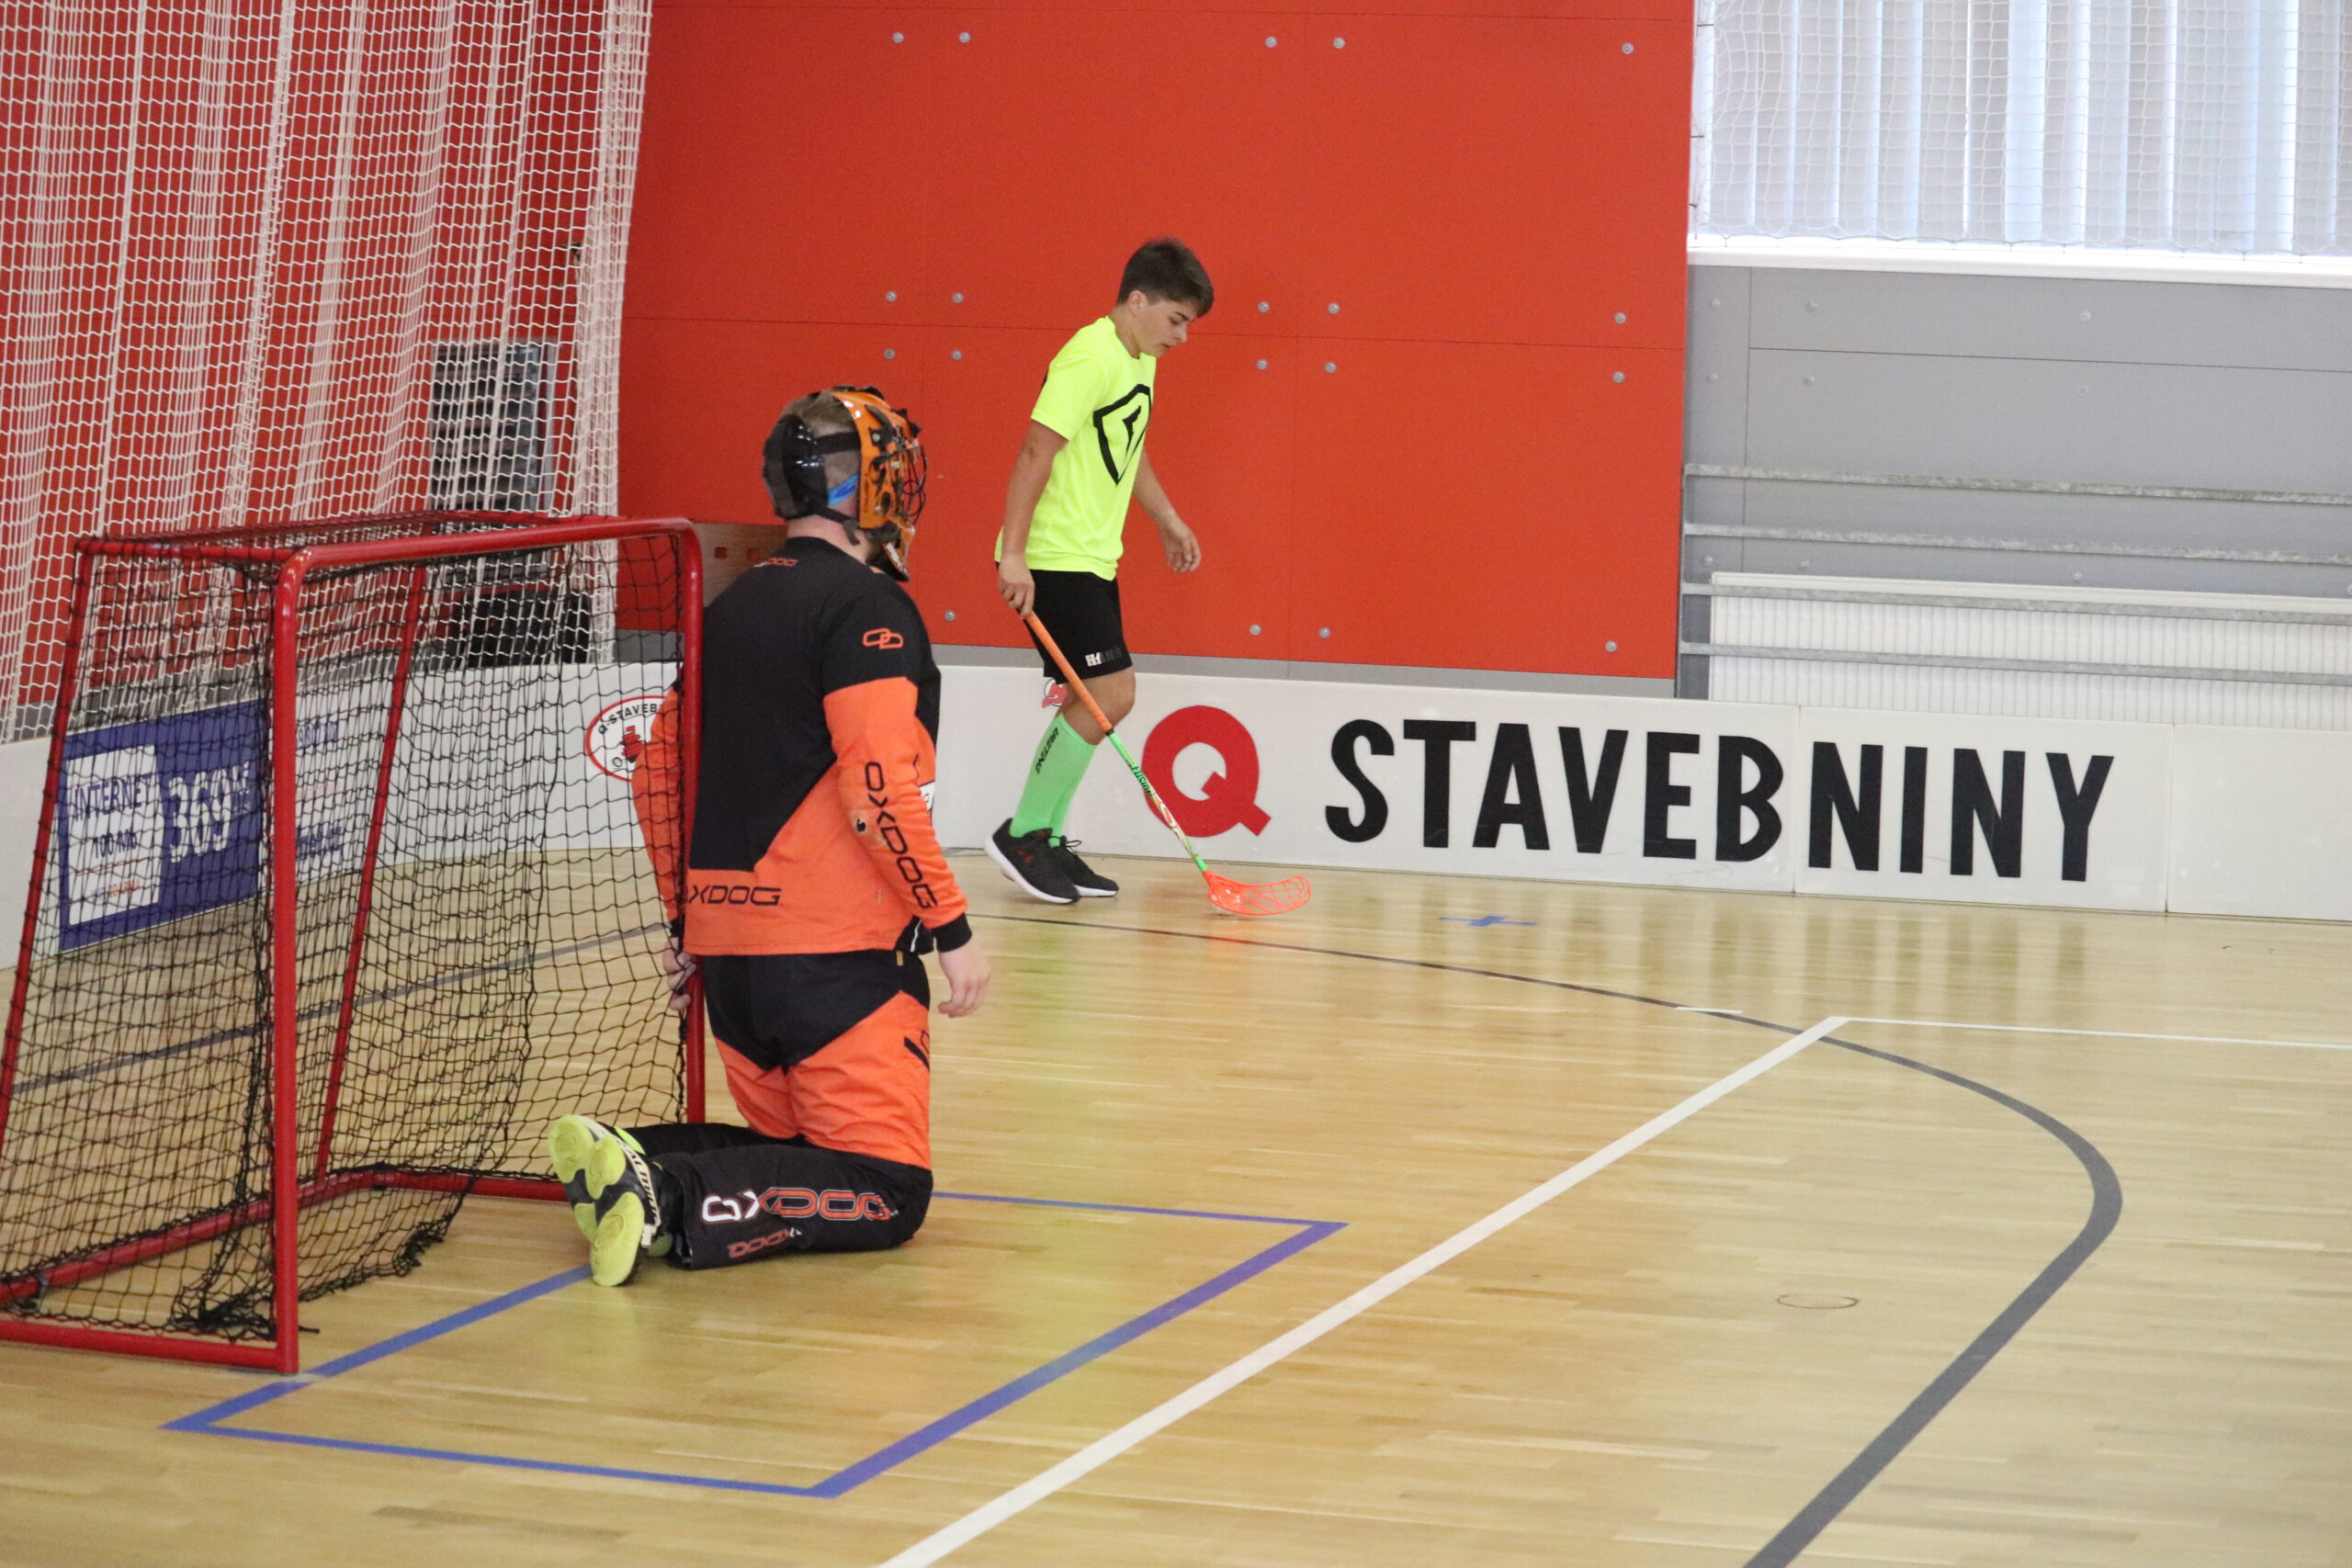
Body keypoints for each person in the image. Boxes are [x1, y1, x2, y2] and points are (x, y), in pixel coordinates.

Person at [548, 386, 990, 1287]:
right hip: (837, 959)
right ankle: (668, 1193)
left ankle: (632, 1155)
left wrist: (690, 922)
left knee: (798, 1153)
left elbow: (656, 774)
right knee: (886, 1189)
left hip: (734, 964)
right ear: (868, 488)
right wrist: (950, 926)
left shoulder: (730, 605)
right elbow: (877, 786)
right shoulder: (868, 609)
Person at [988, 237, 1212, 904]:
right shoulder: (1089, 357)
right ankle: (1024, 834)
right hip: (1054, 555)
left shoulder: (1137, 359)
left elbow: (1126, 446)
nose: (1182, 336)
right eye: (1176, 319)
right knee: (1110, 694)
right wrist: (1014, 553)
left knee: (1093, 697)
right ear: (1137, 301)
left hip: (1092, 557)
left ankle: (1049, 838)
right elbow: (1036, 451)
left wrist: (1166, 518)